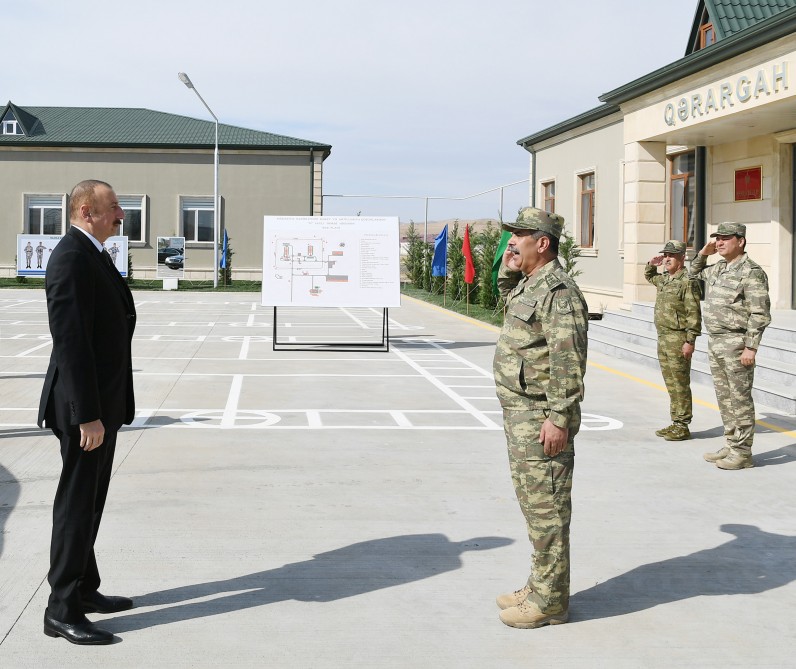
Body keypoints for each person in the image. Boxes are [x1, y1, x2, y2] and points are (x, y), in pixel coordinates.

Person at [38, 180, 137, 645]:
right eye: (113, 206)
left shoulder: (93, 252)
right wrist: (87, 415)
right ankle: (61, 609)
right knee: (77, 506)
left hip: (103, 405)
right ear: (85, 209)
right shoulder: (71, 258)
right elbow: (71, 342)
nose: (120, 213)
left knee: (91, 501)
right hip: (86, 410)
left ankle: (84, 589)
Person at [493, 207, 588, 629]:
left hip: (540, 418)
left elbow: (569, 361)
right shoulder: (532, 282)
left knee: (548, 511)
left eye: (520, 236)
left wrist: (559, 419)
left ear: (542, 243)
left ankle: (550, 603)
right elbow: (508, 307)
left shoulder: (560, 292)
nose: (512, 242)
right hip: (520, 415)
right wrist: (510, 270)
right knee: (534, 509)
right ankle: (539, 584)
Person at [690, 222, 771, 470]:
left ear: (741, 241)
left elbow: (760, 314)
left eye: (726, 238)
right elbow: (692, 274)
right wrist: (704, 253)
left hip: (737, 342)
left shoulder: (752, 272)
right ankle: (731, 443)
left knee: (740, 399)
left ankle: (743, 453)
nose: (720, 242)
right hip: (716, 341)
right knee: (725, 398)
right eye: (718, 238)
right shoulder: (719, 268)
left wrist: (751, 347)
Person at [644, 240, 702, 441]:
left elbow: (693, 313)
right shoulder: (666, 279)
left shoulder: (688, 281)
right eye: (665, 255)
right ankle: (676, 422)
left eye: (672, 255)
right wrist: (652, 263)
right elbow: (650, 276)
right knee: (670, 383)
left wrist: (690, 340)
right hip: (663, 337)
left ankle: (683, 424)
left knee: (680, 383)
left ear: (682, 257)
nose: (667, 258)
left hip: (678, 338)